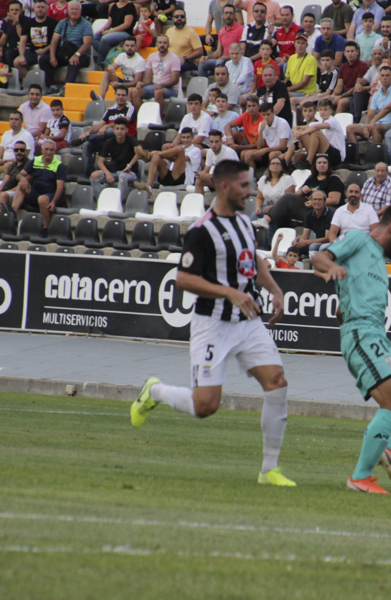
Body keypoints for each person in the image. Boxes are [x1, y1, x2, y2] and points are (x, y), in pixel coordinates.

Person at [130, 159, 295, 488]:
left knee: (277, 382)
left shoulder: (245, 223)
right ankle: (155, 391)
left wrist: (275, 289)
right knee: (205, 406)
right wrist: (230, 292)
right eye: (244, 186)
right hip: (213, 325)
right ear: (225, 187)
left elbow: (254, 260)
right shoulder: (202, 231)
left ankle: (269, 470)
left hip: (248, 321)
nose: (250, 192)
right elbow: (183, 280)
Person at [309, 204, 391, 493]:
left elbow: (356, 293)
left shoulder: (380, 262)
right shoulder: (359, 239)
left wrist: (343, 304)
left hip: (378, 338)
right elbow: (319, 257)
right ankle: (360, 477)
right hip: (360, 335)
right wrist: (332, 267)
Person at [42, 1, 93, 94]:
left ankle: (67, 88)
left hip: (82, 54)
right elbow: (54, 41)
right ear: (68, 10)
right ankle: (51, 86)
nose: (74, 11)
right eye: (71, 9)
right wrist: (52, 56)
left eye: (76, 9)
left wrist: (77, 55)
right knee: (44, 59)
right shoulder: (62, 23)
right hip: (65, 52)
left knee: (74, 62)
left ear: (80, 11)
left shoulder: (86, 24)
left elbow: (87, 44)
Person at [13, 140, 66, 229]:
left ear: (54, 152)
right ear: (41, 151)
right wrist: (23, 179)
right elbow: (19, 174)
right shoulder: (35, 161)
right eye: (46, 149)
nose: (48, 152)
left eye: (51, 150)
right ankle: (12, 213)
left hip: (51, 194)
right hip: (35, 193)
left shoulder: (60, 165)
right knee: (22, 185)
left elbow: (60, 187)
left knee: (42, 199)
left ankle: (45, 228)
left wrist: (53, 202)